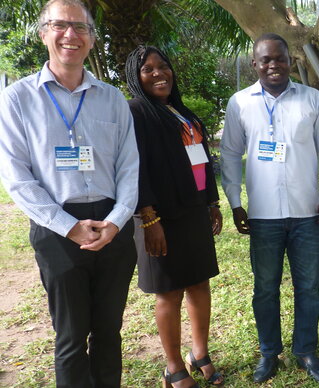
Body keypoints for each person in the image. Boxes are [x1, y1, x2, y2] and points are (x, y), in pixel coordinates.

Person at [0, 1, 139, 387]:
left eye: (81, 27)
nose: (71, 35)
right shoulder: (17, 99)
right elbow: (16, 176)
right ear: (43, 32)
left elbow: (129, 166)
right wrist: (69, 227)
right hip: (56, 229)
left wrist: (115, 222)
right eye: (60, 25)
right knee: (71, 338)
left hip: (113, 227)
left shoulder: (112, 98)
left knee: (109, 332)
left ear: (92, 40)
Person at [220, 33, 319, 383]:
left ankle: (306, 350)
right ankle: (269, 353)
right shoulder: (240, 103)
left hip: (307, 212)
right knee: (265, 287)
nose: (273, 64)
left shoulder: (313, 99)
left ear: (291, 61)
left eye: (280, 58)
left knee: (308, 286)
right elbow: (230, 153)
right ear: (254, 64)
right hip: (262, 215)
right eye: (266, 59)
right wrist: (235, 202)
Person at [125, 46, 223, 388]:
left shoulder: (182, 113)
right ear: (135, 78)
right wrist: (149, 218)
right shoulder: (136, 112)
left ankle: (199, 353)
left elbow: (203, 162)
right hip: (159, 219)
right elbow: (133, 169)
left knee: (199, 283)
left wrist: (212, 202)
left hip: (193, 212)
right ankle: (174, 366)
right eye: (147, 69)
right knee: (169, 292)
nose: (158, 73)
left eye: (163, 66)